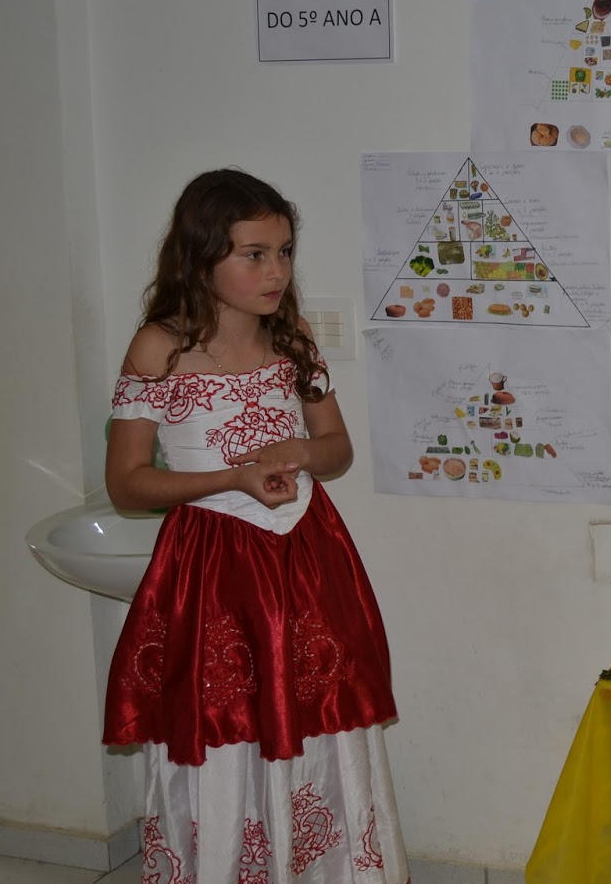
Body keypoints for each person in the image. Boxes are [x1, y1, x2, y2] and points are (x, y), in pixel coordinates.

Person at [104, 169, 407, 883]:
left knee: (320, 717)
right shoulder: (158, 349)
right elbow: (128, 484)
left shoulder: (292, 338)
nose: (277, 271)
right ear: (201, 255)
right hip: (213, 567)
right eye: (254, 254)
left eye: (285, 251)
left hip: (306, 555)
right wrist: (230, 478)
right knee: (223, 725)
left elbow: (336, 451)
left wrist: (298, 450)